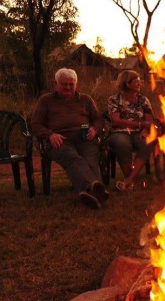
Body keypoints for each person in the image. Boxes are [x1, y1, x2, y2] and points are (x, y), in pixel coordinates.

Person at [30, 68, 108, 209]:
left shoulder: (86, 99)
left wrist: (94, 129)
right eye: (64, 84)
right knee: (72, 157)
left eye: (71, 84)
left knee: (91, 159)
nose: (68, 87)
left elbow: (98, 120)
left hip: (84, 137)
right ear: (56, 84)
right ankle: (95, 189)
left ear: (76, 84)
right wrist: (50, 135)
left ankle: (87, 192)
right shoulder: (46, 100)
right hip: (59, 139)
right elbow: (35, 124)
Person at [107, 69, 156, 191]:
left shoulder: (143, 100)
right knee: (122, 144)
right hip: (119, 132)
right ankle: (129, 180)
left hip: (139, 133)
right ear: (126, 83)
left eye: (140, 82)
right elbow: (116, 121)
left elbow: (149, 120)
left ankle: (128, 180)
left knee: (147, 143)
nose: (140, 84)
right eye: (136, 82)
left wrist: (145, 130)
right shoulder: (114, 100)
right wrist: (139, 124)